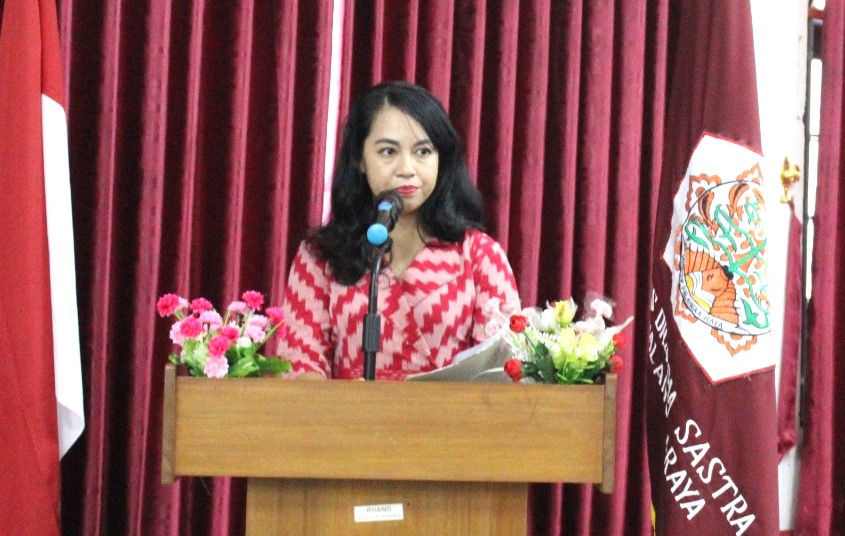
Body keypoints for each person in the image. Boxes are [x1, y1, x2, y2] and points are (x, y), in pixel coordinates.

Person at [278, 81, 520, 380]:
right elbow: (300, 365)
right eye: (388, 151)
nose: (407, 168)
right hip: (346, 411)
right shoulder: (320, 256)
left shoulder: (479, 255)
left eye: (423, 151)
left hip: (451, 412)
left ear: (441, 159)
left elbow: (501, 370)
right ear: (359, 159)